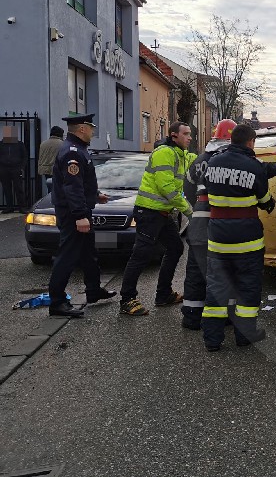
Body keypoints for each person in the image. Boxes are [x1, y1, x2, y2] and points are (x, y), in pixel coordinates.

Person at [201, 123, 276, 351]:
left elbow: (207, 190)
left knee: (216, 289)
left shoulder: (213, 163)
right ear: (251, 142)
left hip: (218, 240)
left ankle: (212, 341)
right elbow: (265, 203)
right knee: (248, 288)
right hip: (247, 242)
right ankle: (244, 337)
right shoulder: (253, 167)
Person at [119, 121, 193, 316]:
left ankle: (163, 294)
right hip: (149, 212)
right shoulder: (164, 153)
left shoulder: (181, 154)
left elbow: (199, 160)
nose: (190, 137)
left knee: (176, 248)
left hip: (162, 213)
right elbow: (166, 187)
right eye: (186, 134)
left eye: (190, 134)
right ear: (174, 135)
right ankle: (127, 299)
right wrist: (189, 211)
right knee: (141, 254)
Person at [47, 114, 116, 317]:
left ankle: (93, 290)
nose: (93, 132)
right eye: (91, 129)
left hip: (81, 208)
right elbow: (72, 186)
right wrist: (79, 215)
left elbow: (81, 182)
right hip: (72, 213)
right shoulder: (73, 152)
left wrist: (95, 195)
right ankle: (57, 303)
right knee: (67, 256)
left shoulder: (78, 150)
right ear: (82, 129)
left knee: (88, 253)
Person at [180, 118, 237, 330]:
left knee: (196, 271)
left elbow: (187, 189)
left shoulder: (199, 161)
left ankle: (192, 317)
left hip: (198, 226)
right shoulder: (231, 161)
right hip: (222, 225)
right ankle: (224, 317)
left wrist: (198, 208)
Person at [0, 126, 27, 213]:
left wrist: (21, 167)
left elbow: (24, 156)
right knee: (6, 188)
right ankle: (9, 207)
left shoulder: (19, 144)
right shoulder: (1, 144)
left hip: (16, 168)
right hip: (4, 168)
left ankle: (22, 207)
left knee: (18, 188)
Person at [38, 126, 64, 193]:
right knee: (58, 189)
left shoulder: (43, 143)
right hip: (58, 170)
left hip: (46, 169)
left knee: (50, 187)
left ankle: (49, 201)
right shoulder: (62, 144)